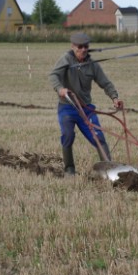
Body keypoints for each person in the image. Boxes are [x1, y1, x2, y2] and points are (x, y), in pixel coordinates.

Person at [48, 32, 124, 176]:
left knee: (99, 138)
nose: (83, 49)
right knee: (68, 135)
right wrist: (60, 89)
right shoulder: (65, 59)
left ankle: (109, 171)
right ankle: (69, 169)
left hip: (86, 109)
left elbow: (105, 83)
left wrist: (115, 98)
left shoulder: (92, 65)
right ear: (73, 46)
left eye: (86, 47)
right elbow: (53, 75)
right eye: (80, 47)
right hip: (67, 108)